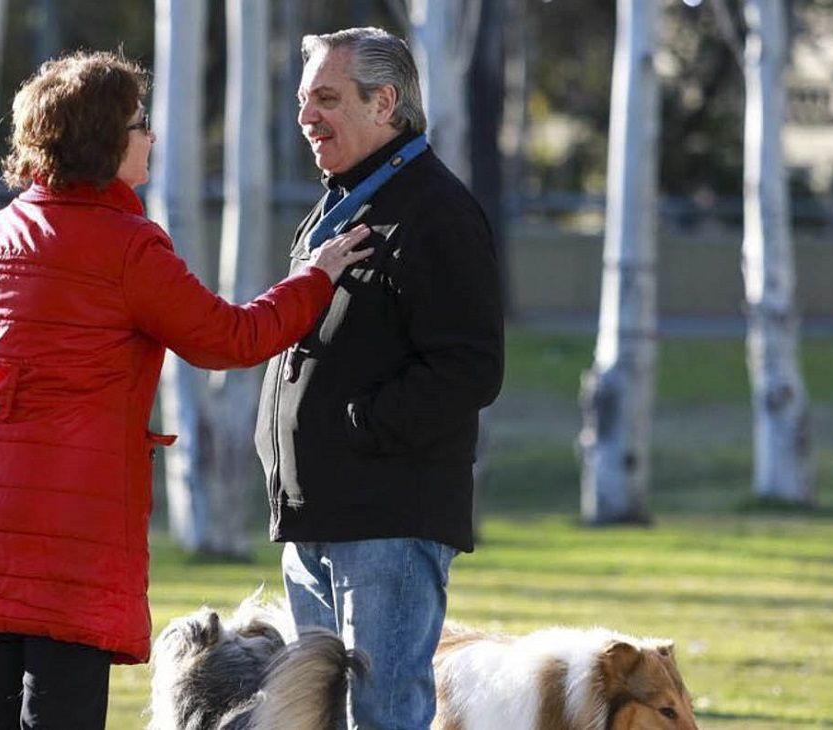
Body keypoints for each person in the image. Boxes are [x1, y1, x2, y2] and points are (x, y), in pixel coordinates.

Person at [0, 50, 372, 730]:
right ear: (104, 140)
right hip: (70, 532)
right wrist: (317, 277)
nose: (150, 136)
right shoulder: (127, 247)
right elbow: (230, 338)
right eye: (139, 123)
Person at [253, 27, 504, 729]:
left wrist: (359, 428)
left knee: (384, 716)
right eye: (305, 101)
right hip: (315, 519)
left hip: (387, 521)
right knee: (319, 721)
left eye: (327, 99)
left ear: (385, 102)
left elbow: (471, 366)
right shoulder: (342, 201)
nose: (307, 117)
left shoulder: (435, 211)